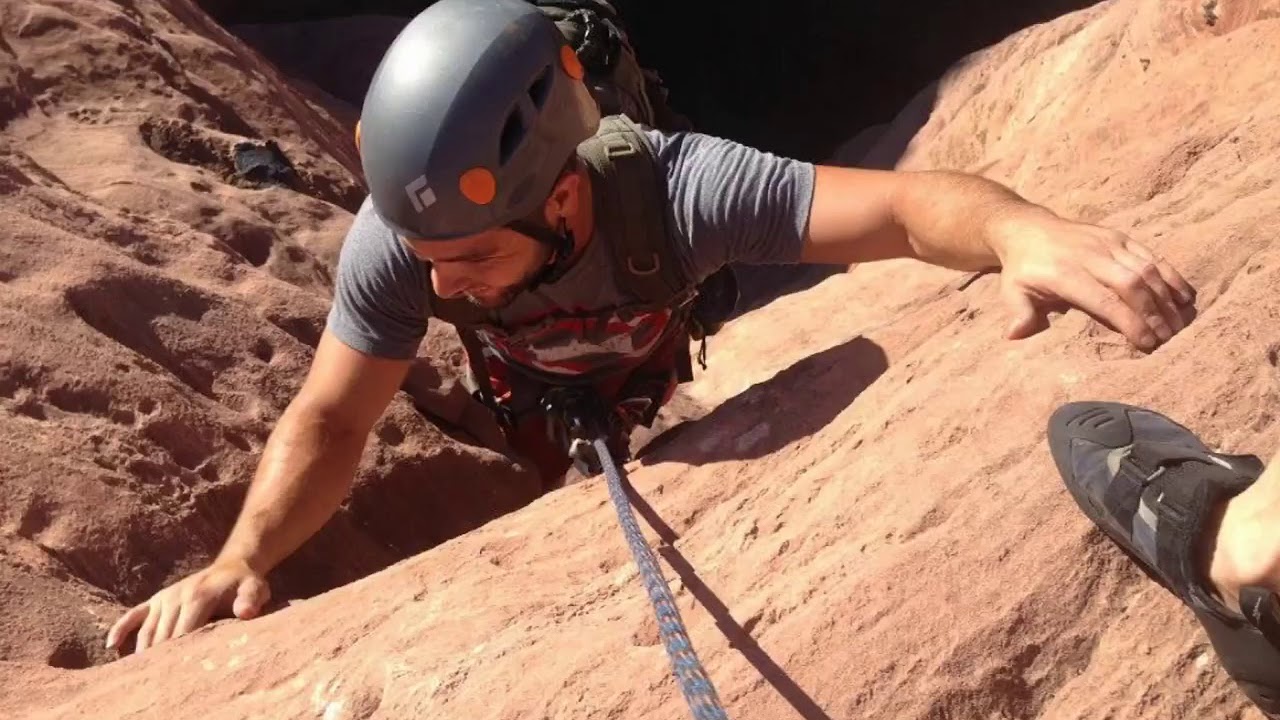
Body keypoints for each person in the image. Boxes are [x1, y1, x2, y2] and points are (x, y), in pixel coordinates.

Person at [106, 0, 1198, 654]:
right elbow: (334, 415)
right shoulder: (407, 248)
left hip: (639, 341)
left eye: (475, 258)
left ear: (564, 197)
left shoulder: (681, 193)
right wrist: (237, 560)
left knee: (610, 392)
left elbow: (907, 208)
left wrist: (1020, 232)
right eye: (432, 264)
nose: (443, 292)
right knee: (548, 434)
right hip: (542, 386)